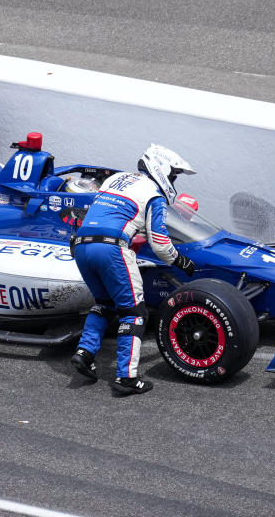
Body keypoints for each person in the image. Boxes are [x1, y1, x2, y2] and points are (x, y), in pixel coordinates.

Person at [70, 144, 198, 395]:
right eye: (173, 175)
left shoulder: (116, 179)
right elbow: (160, 244)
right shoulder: (154, 195)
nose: (173, 181)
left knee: (104, 304)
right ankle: (126, 377)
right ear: (161, 169)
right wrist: (181, 262)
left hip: (81, 246)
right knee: (135, 312)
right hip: (111, 248)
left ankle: (84, 354)